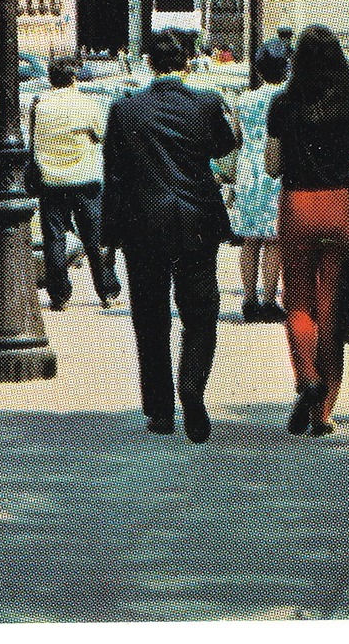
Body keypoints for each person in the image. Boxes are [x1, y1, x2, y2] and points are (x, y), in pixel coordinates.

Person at [103, 29, 238, 443]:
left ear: (148, 64)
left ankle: (160, 410)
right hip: (195, 222)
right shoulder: (206, 104)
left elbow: (114, 173)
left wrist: (107, 242)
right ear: (185, 64)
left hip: (143, 226)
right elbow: (226, 145)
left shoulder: (125, 110)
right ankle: (192, 385)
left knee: (150, 319)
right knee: (201, 313)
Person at [266, 24, 349, 438]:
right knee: (332, 308)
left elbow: (273, 166)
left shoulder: (282, 104)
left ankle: (306, 378)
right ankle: (324, 412)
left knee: (297, 301)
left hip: (297, 205)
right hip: (339, 204)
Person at [31, 56, 120, 310]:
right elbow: (103, 134)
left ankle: (59, 295)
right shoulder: (87, 104)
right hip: (85, 180)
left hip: (51, 181)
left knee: (54, 239)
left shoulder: (40, 105)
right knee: (94, 239)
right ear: (73, 78)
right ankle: (106, 290)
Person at [232, 38, 289, 323]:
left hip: (248, 170)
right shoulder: (288, 99)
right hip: (276, 169)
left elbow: (237, 138)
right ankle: (269, 299)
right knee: (274, 238)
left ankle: (248, 299)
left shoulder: (242, 100)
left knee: (249, 239)